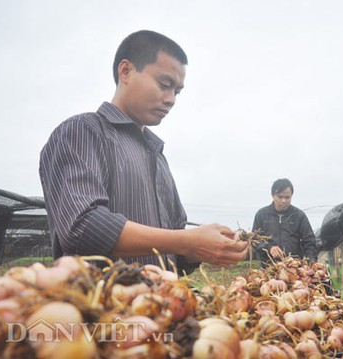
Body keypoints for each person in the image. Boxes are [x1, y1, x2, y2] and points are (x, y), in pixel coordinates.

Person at [39, 30, 248, 273]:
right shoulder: (82, 132)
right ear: (125, 71)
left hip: (159, 306)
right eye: (164, 84)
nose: (171, 99)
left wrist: (198, 249)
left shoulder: (157, 155)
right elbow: (83, 228)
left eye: (177, 92)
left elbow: (173, 255)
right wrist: (188, 240)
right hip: (100, 307)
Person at [252, 178, 318, 266]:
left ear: (291, 196)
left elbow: (310, 242)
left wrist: (311, 261)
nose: (283, 201)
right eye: (280, 197)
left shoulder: (299, 216)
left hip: (294, 268)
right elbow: (255, 240)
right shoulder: (262, 215)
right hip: (269, 268)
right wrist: (269, 248)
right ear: (273, 195)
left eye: (287, 197)